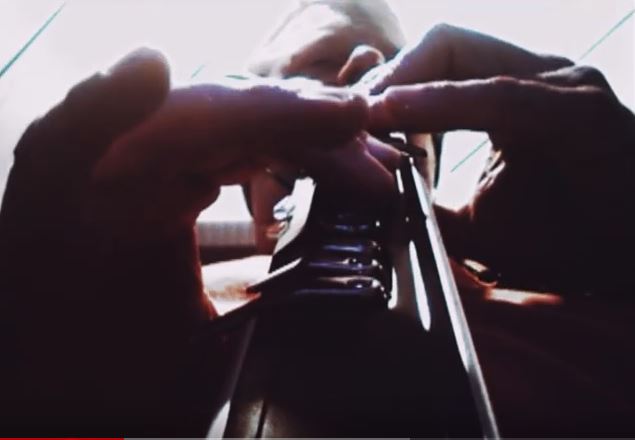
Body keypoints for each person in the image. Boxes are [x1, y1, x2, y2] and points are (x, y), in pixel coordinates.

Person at [1, 0, 634, 436]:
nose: (361, 74)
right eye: (308, 77)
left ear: (431, 158)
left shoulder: (596, 306)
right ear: (241, 165)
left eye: (390, 69)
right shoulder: (110, 310)